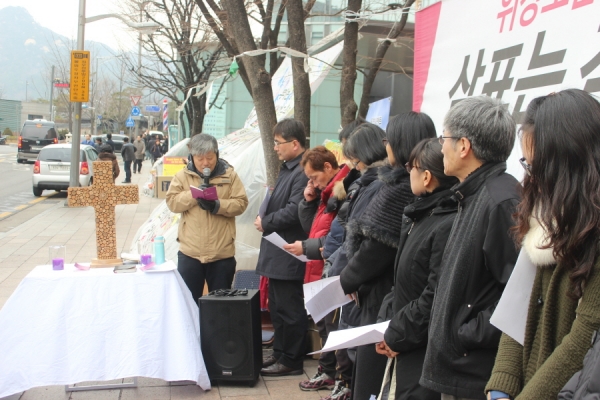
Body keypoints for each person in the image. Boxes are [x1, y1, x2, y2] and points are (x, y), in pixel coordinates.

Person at [485, 89, 600, 399]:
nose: (531, 178)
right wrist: (502, 382)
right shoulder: (544, 216)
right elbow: (517, 308)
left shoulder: (592, 227)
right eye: (527, 163)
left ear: (573, 163)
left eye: (538, 167)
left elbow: (582, 339)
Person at [419, 96, 521, 400]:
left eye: (444, 139)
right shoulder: (472, 195)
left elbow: (519, 294)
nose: (441, 147)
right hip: (461, 365)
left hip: (476, 372)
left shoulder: (502, 201)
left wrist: (464, 334)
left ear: (464, 146)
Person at [340, 112, 436, 400]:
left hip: (385, 297)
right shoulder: (401, 184)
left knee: (375, 378)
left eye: (389, 140)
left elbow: (377, 249)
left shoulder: (405, 188)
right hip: (386, 297)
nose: (386, 146)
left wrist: (347, 279)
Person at [375, 138, 459, 400]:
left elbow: (433, 295)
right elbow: (402, 281)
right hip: (405, 337)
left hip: (421, 347)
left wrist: (398, 334)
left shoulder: (446, 222)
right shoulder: (422, 214)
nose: (406, 171)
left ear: (426, 177)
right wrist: (386, 324)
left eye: (410, 166)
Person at [297, 119, 365, 399]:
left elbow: (343, 235)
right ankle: (331, 373)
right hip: (323, 263)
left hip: (335, 264)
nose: (312, 183)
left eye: (314, 177)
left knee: (339, 328)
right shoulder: (328, 193)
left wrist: (323, 252)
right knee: (326, 325)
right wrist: (308, 200)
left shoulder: (347, 187)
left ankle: (342, 379)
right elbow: (314, 227)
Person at [255, 119, 309, 377]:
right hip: (277, 251)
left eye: (278, 143)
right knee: (277, 307)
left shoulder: (301, 171)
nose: (275, 148)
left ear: (295, 144)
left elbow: (294, 211)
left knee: (289, 309)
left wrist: (266, 222)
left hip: (289, 252)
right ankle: (280, 353)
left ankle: (292, 359)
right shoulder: (287, 169)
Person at [166, 133, 248, 302]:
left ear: (216, 155)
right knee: (189, 304)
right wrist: (192, 195)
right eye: (200, 159)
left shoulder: (229, 175)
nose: (205, 163)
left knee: (220, 307)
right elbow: (172, 203)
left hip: (221, 253)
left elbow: (241, 203)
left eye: (210, 158)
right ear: (192, 157)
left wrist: (218, 205)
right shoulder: (182, 176)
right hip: (190, 253)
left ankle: (218, 330)